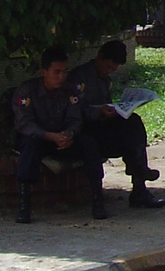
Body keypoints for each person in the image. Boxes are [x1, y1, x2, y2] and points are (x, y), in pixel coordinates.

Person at [12, 45, 105, 223]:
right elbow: (24, 123)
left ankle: (97, 199)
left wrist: (69, 134)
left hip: (64, 139)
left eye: (64, 71)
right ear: (44, 71)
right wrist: (49, 135)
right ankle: (24, 205)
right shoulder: (27, 91)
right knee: (29, 146)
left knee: (89, 143)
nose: (61, 77)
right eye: (56, 72)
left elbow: (75, 118)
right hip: (40, 138)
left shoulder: (70, 91)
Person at [71, 40, 165, 209]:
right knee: (128, 138)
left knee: (133, 122)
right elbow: (74, 110)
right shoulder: (80, 78)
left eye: (113, 70)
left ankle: (140, 184)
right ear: (99, 57)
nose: (109, 72)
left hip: (102, 124)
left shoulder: (105, 80)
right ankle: (140, 175)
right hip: (85, 129)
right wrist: (98, 111)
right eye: (108, 67)